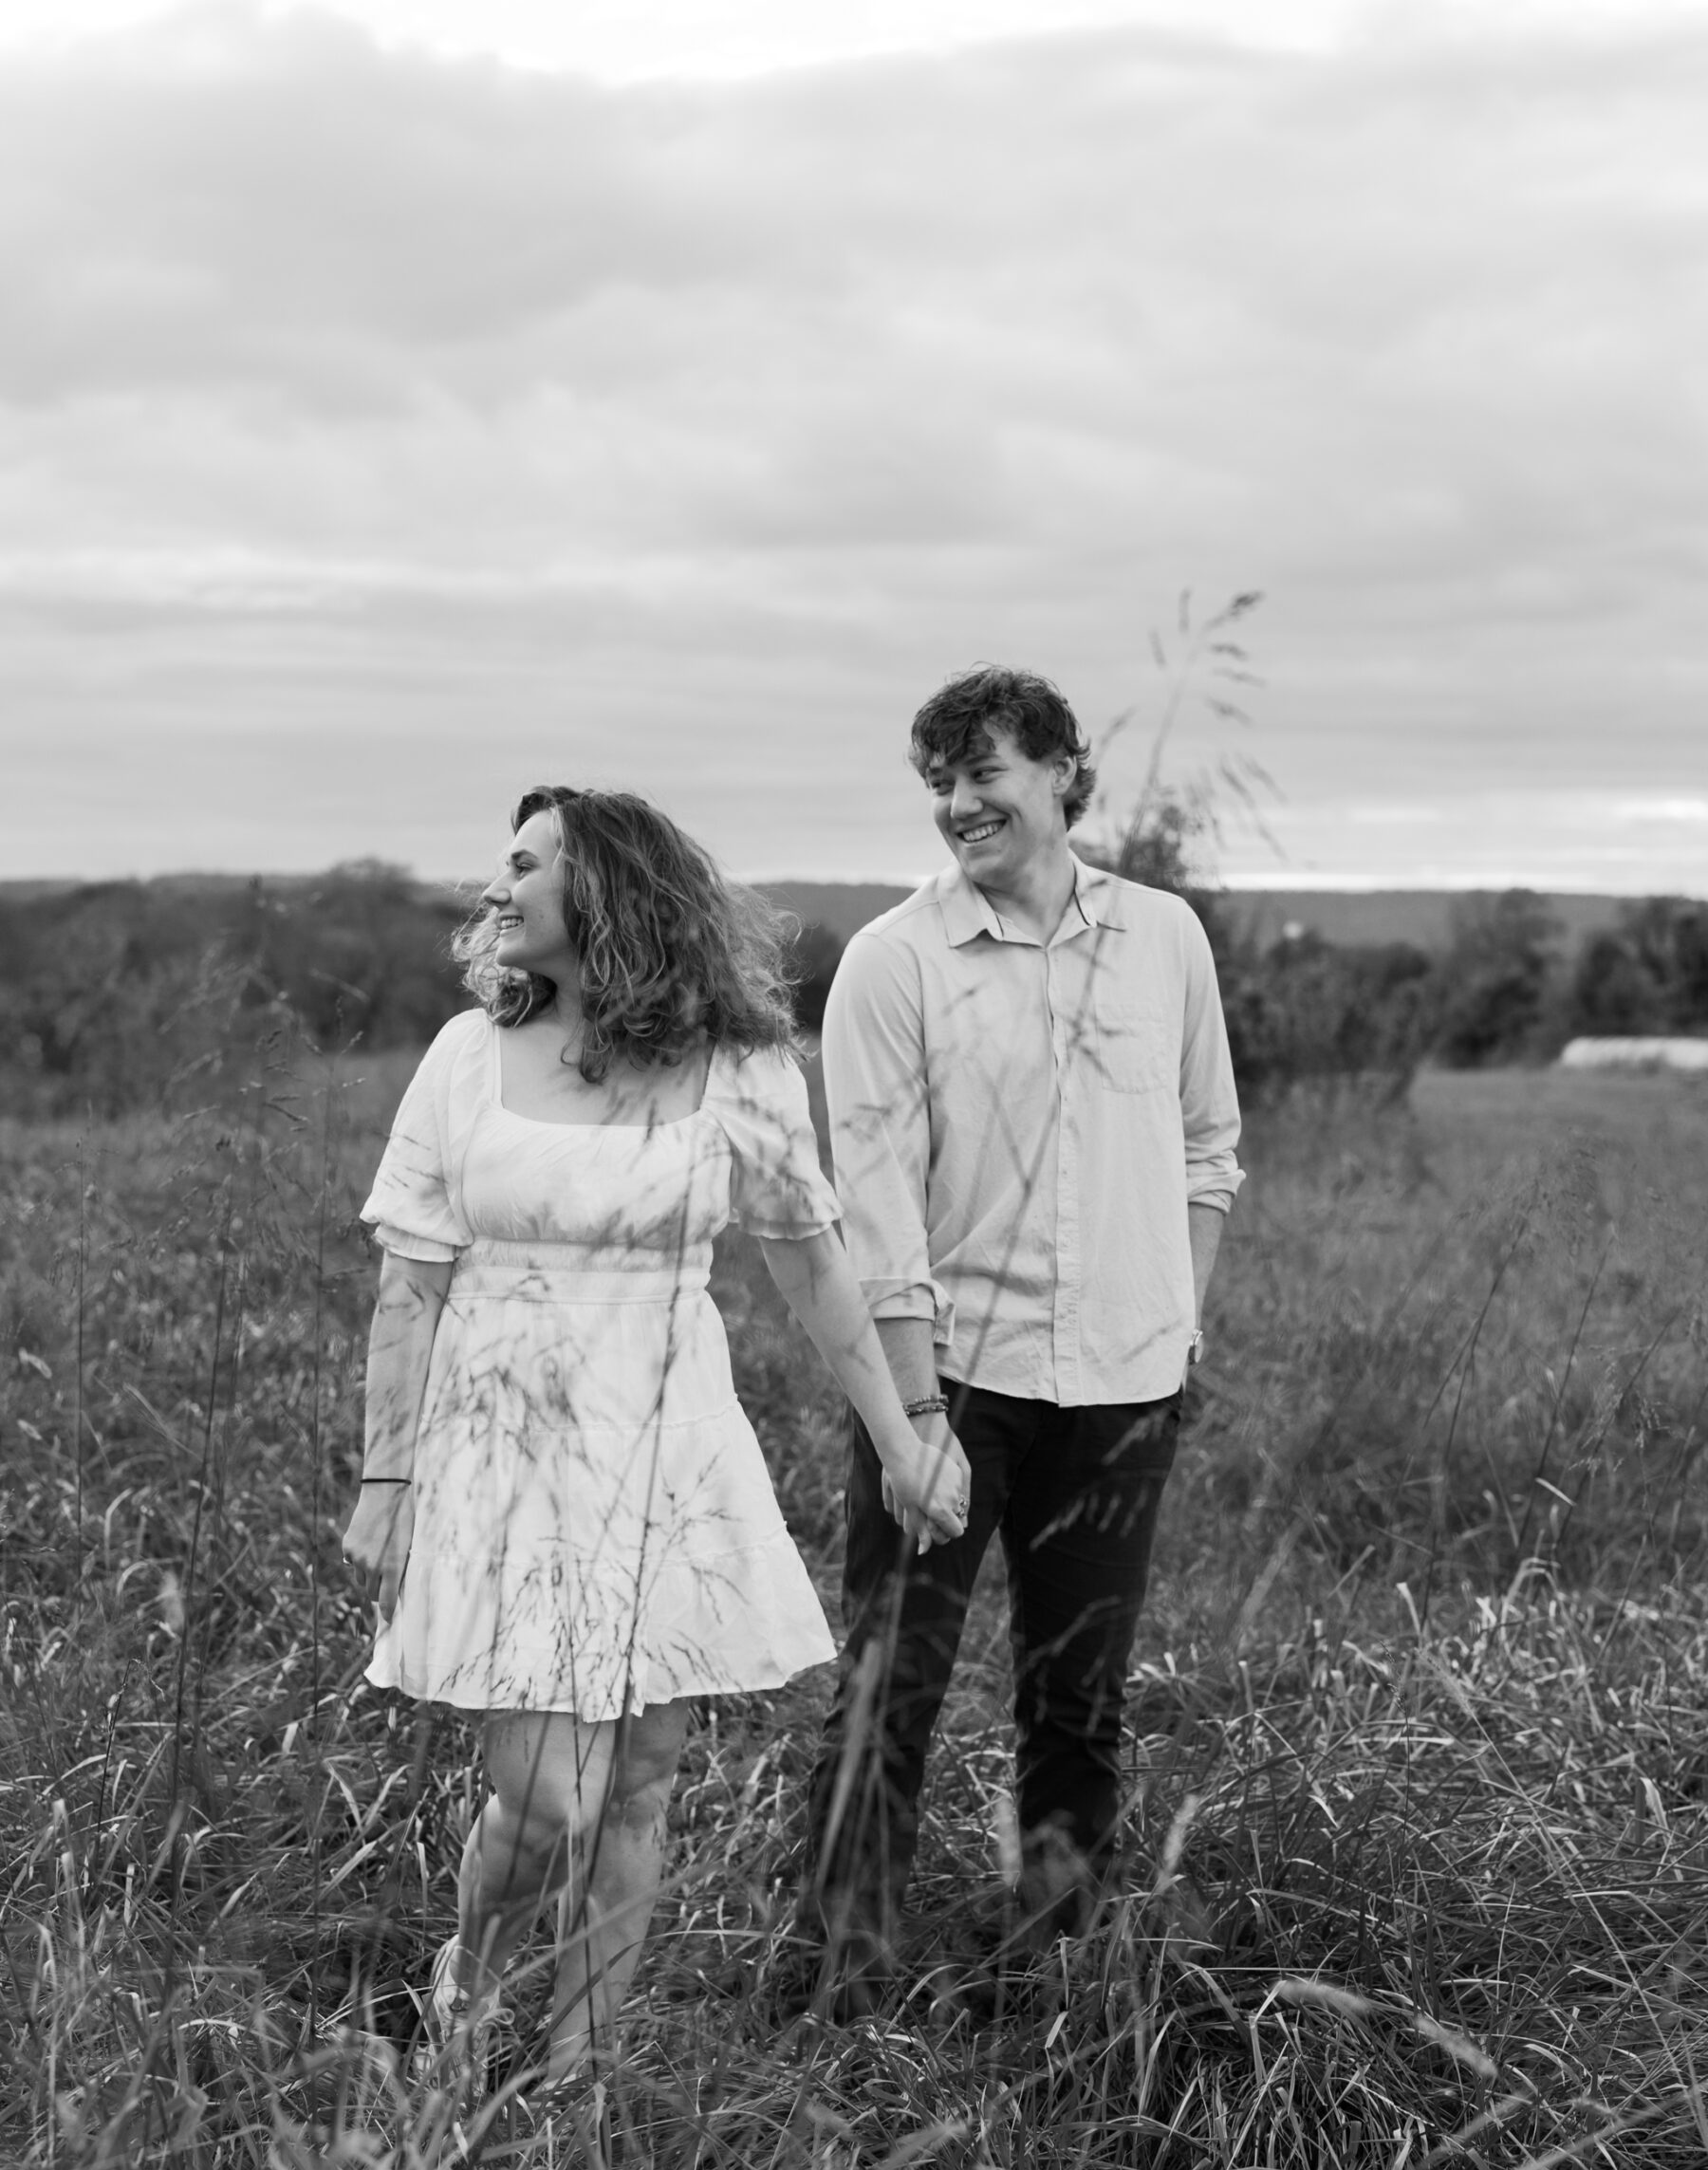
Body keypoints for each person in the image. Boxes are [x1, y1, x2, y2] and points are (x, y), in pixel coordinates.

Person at [342, 786, 970, 2088]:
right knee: (550, 1792)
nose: (496, 888)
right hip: (498, 1453)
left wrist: (906, 1434)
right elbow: (411, 1287)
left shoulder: (739, 1069)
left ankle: (579, 2071)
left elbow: (816, 1272)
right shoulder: (466, 1057)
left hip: (667, 1448)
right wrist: (386, 1475)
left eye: (525, 866)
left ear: (607, 894)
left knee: (636, 1787)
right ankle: (469, 1979)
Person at [794, 665, 1243, 2006]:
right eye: (938, 781)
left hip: (1123, 1388)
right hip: (954, 1389)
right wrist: (915, 1420)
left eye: (982, 772)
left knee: (1077, 1701)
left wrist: (1179, 1320)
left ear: (1060, 774)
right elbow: (872, 1211)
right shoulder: (892, 964)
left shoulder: (1164, 939)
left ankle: (1051, 1973)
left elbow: (1207, 1149)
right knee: (891, 1692)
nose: (955, 803)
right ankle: (842, 1982)